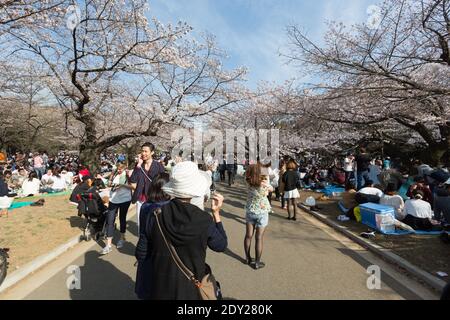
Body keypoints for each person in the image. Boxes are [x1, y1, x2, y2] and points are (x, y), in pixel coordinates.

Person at [135, 161, 227, 300]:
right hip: (191, 288)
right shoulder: (204, 219)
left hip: (159, 287)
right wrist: (216, 213)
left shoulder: (155, 214)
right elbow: (221, 245)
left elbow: (141, 253)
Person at [129, 143, 165, 232]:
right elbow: (132, 180)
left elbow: (163, 182)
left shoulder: (158, 166)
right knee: (140, 225)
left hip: (154, 200)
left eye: (146, 151)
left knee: (153, 225)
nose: (143, 153)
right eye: (142, 151)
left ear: (152, 152)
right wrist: (138, 165)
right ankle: (142, 244)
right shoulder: (139, 165)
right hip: (141, 200)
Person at [244, 164, 272, 270]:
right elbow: (272, 189)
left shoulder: (248, 182)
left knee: (248, 236)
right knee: (259, 237)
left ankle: (247, 259)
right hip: (262, 212)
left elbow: (247, 175)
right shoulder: (264, 183)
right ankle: (257, 262)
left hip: (250, 211)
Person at [101, 164, 134, 255]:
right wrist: (111, 179)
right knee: (110, 220)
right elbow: (108, 184)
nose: (119, 170)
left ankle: (122, 238)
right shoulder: (114, 173)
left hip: (125, 200)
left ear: (125, 168)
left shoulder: (128, 175)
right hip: (113, 200)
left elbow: (133, 187)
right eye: (118, 169)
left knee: (122, 219)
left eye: (121, 169)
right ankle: (108, 245)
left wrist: (122, 185)